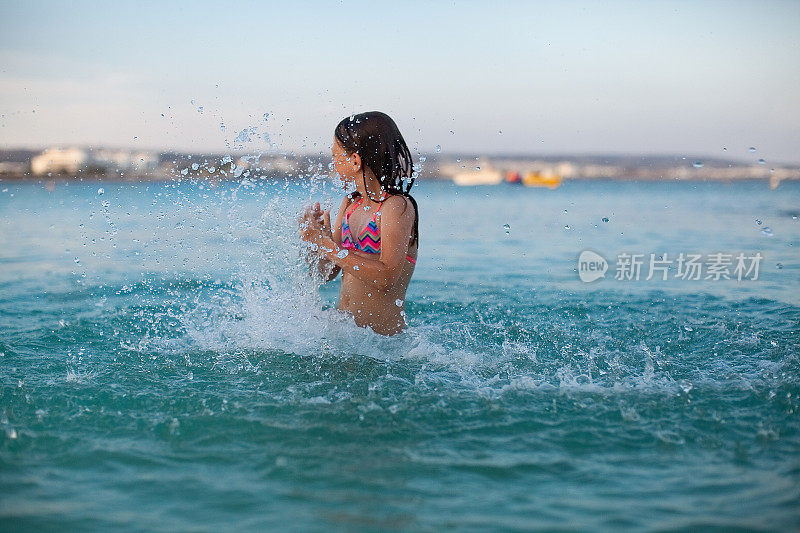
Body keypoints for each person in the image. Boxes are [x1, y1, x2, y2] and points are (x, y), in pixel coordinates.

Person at [299, 111, 419, 336]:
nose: (332, 162)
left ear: (355, 160)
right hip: (348, 339)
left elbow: (386, 278)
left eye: (336, 155)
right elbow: (328, 273)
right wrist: (315, 243)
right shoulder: (350, 204)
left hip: (383, 347)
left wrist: (326, 245)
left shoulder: (396, 208)